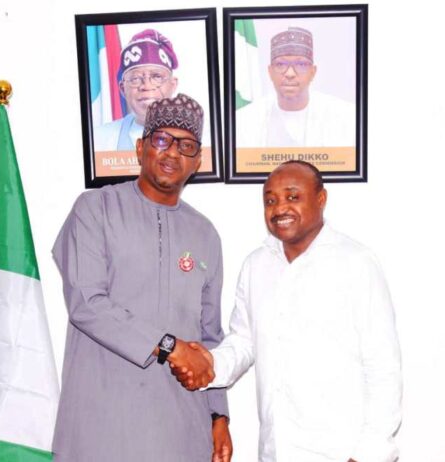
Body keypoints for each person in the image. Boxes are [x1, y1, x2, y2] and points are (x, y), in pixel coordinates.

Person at [173, 161, 402, 462]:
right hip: (276, 451)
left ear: (321, 199)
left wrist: (368, 454)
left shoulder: (356, 263)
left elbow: (383, 368)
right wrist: (208, 365)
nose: (280, 207)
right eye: (270, 200)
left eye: (292, 196)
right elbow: (243, 342)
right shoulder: (256, 265)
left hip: (341, 452)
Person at [52, 93, 232, 462]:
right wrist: (169, 346)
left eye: (186, 145)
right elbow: (86, 304)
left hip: (181, 430)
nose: (172, 153)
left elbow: (210, 336)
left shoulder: (205, 234)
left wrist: (218, 415)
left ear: (197, 161)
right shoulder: (95, 208)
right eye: (162, 140)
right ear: (140, 147)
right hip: (101, 426)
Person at [236, 27, 355, 148]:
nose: (290, 73)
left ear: (313, 72)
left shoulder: (345, 117)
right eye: (280, 64)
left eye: (301, 64)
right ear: (270, 72)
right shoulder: (245, 120)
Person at [94, 29, 179, 151]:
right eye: (135, 79)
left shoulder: (203, 137)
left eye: (157, 77)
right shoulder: (98, 140)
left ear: (173, 85)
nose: (147, 86)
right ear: (123, 89)